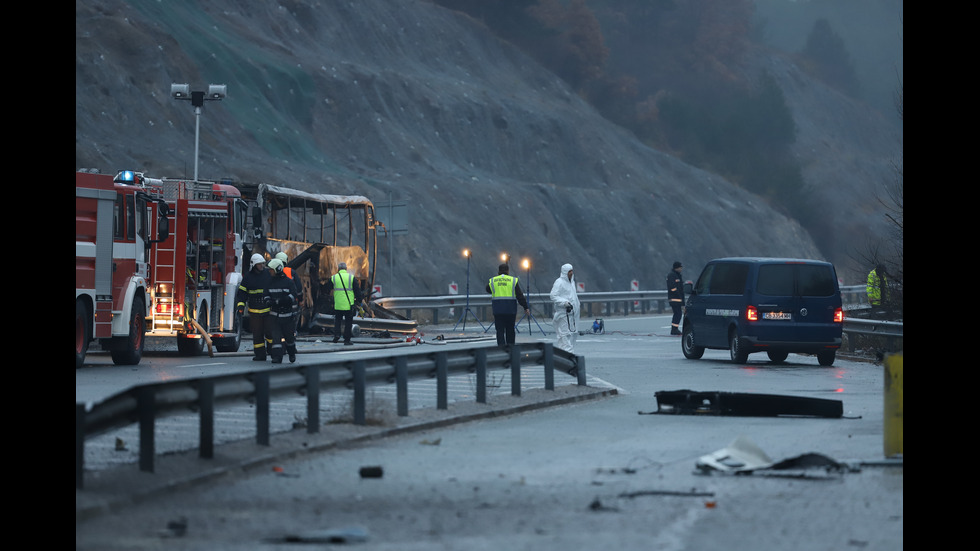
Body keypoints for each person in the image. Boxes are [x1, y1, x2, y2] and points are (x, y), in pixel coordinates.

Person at [235, 253, 273, 361]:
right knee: (257, 334)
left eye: (262, 264)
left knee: (270, 332)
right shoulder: (248, 277)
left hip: (267, 310)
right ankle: (260, 355)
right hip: (254, 311)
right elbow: (242, 293)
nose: (261, 266)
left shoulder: (267, 274)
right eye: (259, 264)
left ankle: (272, 350)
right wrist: (241, 306)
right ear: (254, 265)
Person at [485, 263, 530, 347]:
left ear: (498, 271)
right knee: (510, 330)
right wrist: (525, 307)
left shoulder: (493, 280)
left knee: (500, 331)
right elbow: (519, 295)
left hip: (498, 310)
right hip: (510, 310)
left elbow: (488, 289)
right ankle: (511, 349)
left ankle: (501, 349)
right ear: (508, 271)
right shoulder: (512, 280)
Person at [266, 258, 301, 363]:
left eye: (271, 269)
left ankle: (291, 354)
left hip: (287, 316)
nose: (269, 271)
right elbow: (265, 295)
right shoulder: (269, 282)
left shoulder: (288, 282)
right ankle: (277, 357)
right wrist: (268, 301)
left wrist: (281, 301)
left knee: (289, 338)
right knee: (276, 338)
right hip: (274, 316)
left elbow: (293, 295)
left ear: (277, 269)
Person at [330, 262, 364, 345]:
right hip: (349, 304)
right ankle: (346, 340)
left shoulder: (334, 278)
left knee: (337, 320)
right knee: (348, 322)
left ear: (338, 269)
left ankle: (337, 335)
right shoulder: (351, 278)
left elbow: (326, 288)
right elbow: (357, 291)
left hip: (338, 304)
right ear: (346, 269)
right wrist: (360, 300)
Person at [550, 263, 580, 353]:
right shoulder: (559, 282)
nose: (571, 273)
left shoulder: (572, 283)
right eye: (569, 271)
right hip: (563, 313)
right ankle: (568, 354)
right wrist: (564, 303)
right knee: (565, 335)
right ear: (565, 272)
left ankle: (566, 353)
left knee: (572, 334)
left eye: (572, 271)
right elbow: (553, 295)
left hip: (573, 314)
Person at [666, 261, 685, 335]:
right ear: (676, 268)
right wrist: (677, 294)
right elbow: (672, 287)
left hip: (678, 299)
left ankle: (675, 329)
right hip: (674, 298)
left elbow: (681, 288)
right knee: (678, 313)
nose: (681, 269)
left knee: (678, 313)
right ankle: (674, 329)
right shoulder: (672, 275)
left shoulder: (678, 275)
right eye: (680, 268)